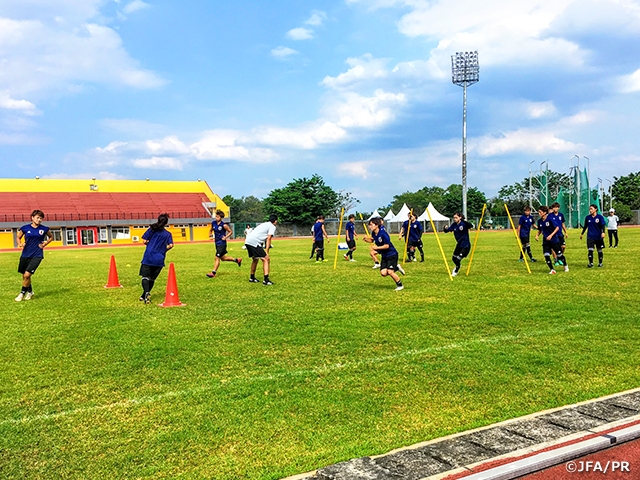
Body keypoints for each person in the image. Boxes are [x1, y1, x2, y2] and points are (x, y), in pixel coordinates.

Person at [15, 209, 53, 301]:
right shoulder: (25, 228)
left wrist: (44, 244)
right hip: (25, 254)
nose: (39, 220)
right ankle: (30, 292)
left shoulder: (44, 229)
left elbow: (51, 237)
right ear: (32, 218)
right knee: (24, 275)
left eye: (41, 218)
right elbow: (18, 237)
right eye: (37, 217)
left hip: (37, 254)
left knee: (27, 275)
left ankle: (21, 293)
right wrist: (20, 244)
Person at [139, 213, 174, 304]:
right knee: (152, 279)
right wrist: (163, 250)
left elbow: (144, 240)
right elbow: (171, 245)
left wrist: (150, 245)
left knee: (145, 277)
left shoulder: (152, 229)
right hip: (159, 258)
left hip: (149, 256)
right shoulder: (168, 234)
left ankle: (146, 293)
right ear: (166, 223)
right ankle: (144, 295)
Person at [363, 217, 404, 291]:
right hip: (384, 255)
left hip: (392, 254)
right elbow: (372, 240)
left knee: (390, 272)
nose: (370, 226)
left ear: (376, 225)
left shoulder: (383, 234)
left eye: (371, 225)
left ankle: (400, 285)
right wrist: (366, 240)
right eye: (369, 225)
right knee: (383, 273)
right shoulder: (374, 233)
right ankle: (396, 267)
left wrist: (376, 248)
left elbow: (387, 246)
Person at [206, 210, 241, 278]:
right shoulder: (213, 223)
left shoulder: (224, 225)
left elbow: (230, 232)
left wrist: (226, 237)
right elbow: (210, 230)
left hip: (222, 244)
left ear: (221, 218)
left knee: (217, 257)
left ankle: (213, 273)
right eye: (216, 216)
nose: (216, 218)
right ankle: (237, 260)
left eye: (218, 217)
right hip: (216, 243)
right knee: (223, 258)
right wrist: (210, 234)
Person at [245, 214, 277, 285]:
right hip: (254, 241)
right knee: (266, 259)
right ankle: (266, 280)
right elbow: (269, 238)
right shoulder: (272, 226)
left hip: (248, 241)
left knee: (255, 259)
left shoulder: (264, 224)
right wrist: (267, 252)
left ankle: (252, 277)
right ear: (275, 221)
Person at [535, 206, 569, 274]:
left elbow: (557, 228)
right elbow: (540, 230)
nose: (539, 213)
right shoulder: (539, 221)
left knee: (559, 255)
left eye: (540, 212)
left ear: (544, 213)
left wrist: (551, 235)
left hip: (554, 240)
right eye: (538, 212)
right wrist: (537, 235)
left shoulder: (550, 219)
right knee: (546, 255)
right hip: (545, 241)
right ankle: (552, 269)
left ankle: (565, 265)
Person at [443, 212, 473, 277]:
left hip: (465, 245)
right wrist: (445, 228)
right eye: (454, 218)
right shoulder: (454, 225)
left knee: (458, 258)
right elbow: (447, 230)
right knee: (453, 258)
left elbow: (471, 226)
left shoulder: (463, 224)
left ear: (460, 217)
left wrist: (464, 221)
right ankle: (458, 265)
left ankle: (456, 269)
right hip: (459, 245)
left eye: (456, 217)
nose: (455, 219)